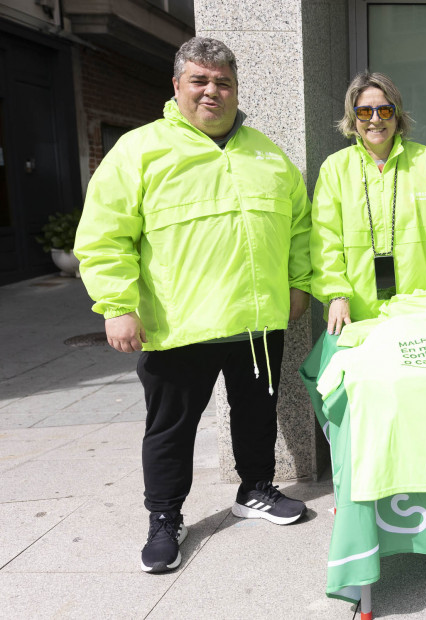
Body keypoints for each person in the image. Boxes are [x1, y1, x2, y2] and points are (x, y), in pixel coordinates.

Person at [74, 37, 312, 574]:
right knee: (171, 427)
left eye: (222, 81)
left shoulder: (265, 153)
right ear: (177, 85)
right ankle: (165, 518)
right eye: (200, 80)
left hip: (256, 321)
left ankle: (255, 489)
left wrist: (300, 282)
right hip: (180, 323)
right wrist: (116, 304)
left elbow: (300, 227)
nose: (212, 91)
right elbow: (105, 235)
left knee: (256, 413)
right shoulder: (140, 150)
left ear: (235, 89)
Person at [311, 72, 426, 332]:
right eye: (365, 112)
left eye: (385, 111)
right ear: (353, 117)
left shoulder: (425, 161)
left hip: (421, 312)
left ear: (397, 114)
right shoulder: (335, 168)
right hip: (358, 316)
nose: (376, 120)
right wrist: (336, 294)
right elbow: (326, 240)